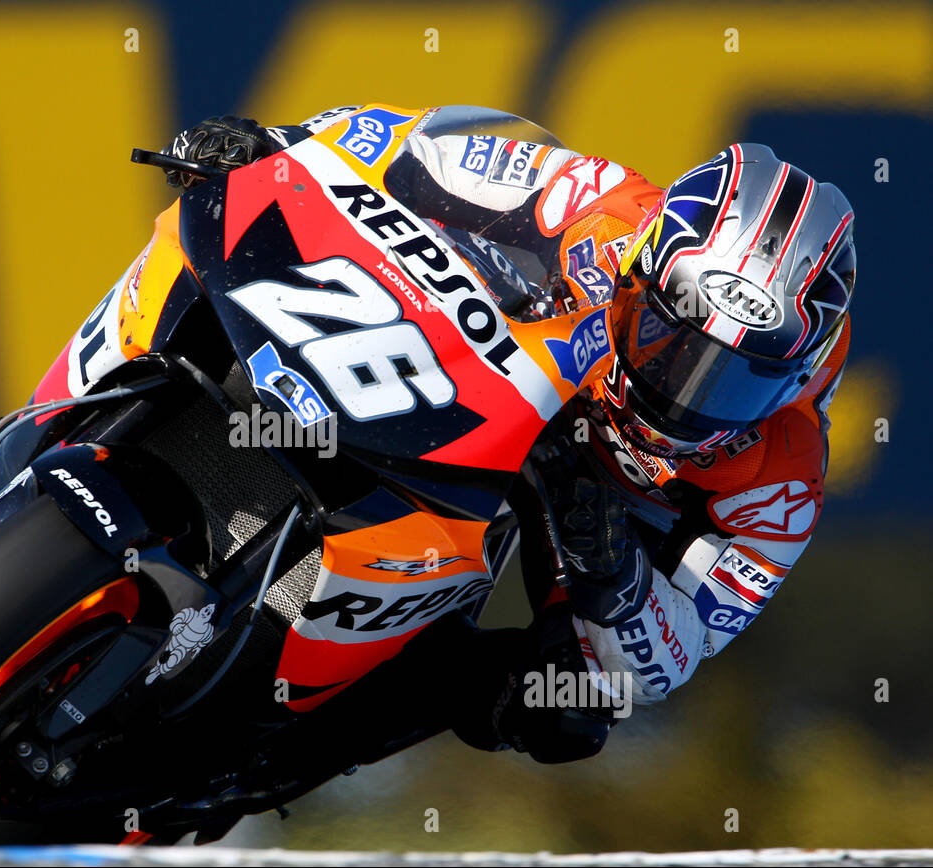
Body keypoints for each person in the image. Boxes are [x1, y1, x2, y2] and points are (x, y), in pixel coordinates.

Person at [161, 107, 857, 762]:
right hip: (474, 381)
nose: (686, 389)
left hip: (584, 513)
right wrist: (280, 146)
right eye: (669, 340)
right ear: (640, 271)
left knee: (572, 708)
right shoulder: (597, 206)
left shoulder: (783, 484)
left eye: (736, 381)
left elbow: (673, 658)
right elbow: (400, 148)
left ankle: (260, 749)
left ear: (795, 381)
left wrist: (615, 574)